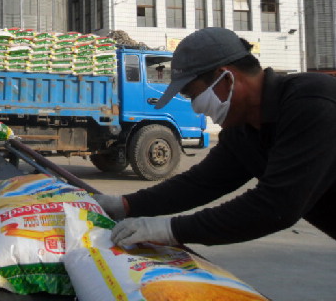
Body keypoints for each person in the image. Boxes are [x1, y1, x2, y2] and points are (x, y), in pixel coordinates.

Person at [95, 27, 336, 247]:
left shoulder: (312, 102)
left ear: (226, 78)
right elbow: (203, 182)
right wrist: (125, 205)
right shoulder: (244, 129)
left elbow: (277, 206)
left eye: (193, 94)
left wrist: (171, 230)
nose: (196, 107)